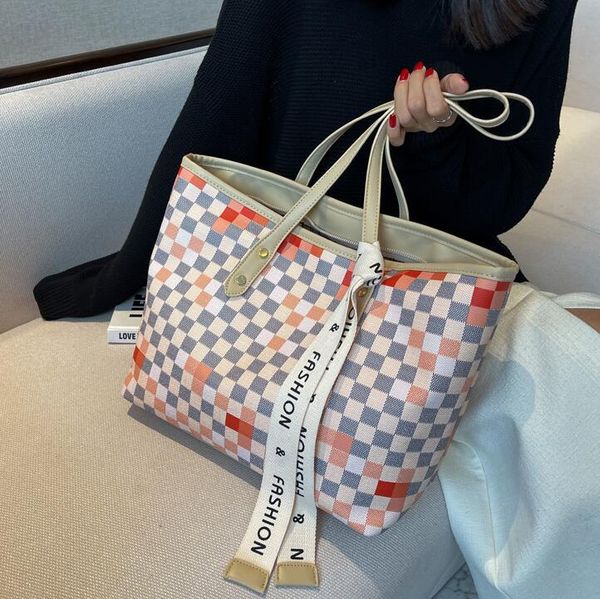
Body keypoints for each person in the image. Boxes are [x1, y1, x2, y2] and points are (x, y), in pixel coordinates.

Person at [33, 1, 600, 596]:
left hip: (433, 283)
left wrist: (439, 139)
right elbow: (218, 114)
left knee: (572, 381)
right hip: (292, 267)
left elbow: (508, 191)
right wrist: (128, 270)